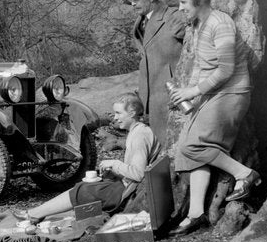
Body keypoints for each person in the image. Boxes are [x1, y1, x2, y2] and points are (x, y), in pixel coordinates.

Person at [168, 0, 260, 236]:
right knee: (188, 148)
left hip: (232, 93)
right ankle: (195, 214)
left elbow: (226, 69)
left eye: (184, 2)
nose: (181, 7)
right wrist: (191, 97)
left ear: (198, 1)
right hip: (213, 95)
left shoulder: (220, 23)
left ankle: (245, 174)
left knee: (194, 145)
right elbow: (200, 66)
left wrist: (194, 90)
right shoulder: (199, 24)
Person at [16, 93, 160, 225]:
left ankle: (34, 214)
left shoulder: (140, 136)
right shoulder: (138, 131)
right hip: (130, 187)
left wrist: (115, 164)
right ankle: (36, 212)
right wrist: (115, 172)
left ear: (132, 113)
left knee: (84, 190)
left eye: (118, 113)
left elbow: (138, 174)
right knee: (85, 185)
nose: (114, 118)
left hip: (130, 193)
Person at [123, 0, 187, 140]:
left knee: (176, 143)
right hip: (151, 97)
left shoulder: (174, 17)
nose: (132, 3)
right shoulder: (140, 22)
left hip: (173, 96)